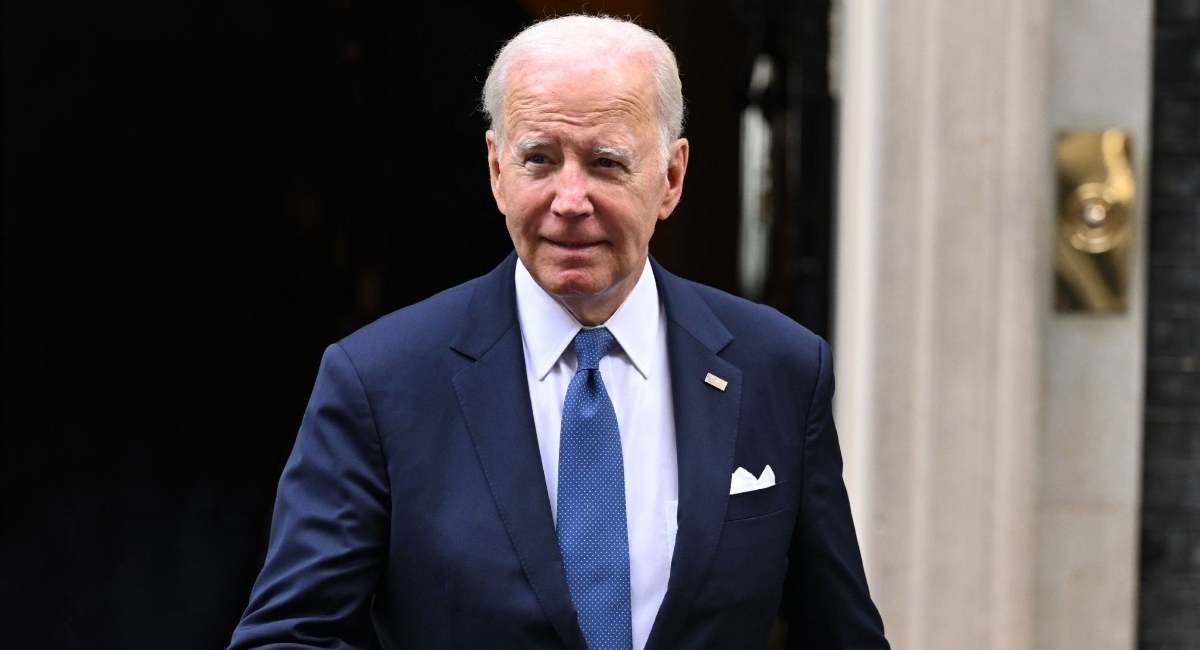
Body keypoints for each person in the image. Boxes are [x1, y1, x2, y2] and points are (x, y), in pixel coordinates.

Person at [229, 14, 888, 650]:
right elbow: (290, 637)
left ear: (672, 177)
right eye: (539, 159)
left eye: (605, 163)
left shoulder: (780, 369)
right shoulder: (380, 382)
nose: (569, 202)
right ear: (496, 170)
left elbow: (840, 634)